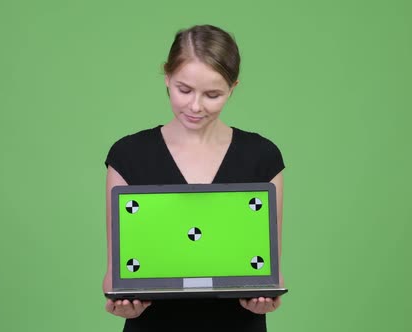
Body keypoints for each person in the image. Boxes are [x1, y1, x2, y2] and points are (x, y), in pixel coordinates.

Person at [103, 24, 285, 332]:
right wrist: (122, 305)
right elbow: (115, 274)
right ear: (167, 78)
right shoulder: (128, 155)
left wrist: (266, 296)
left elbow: (269, 268)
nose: (196, 106)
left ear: (233, 88)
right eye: (184, 90)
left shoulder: (262, 157)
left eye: (213, 94)